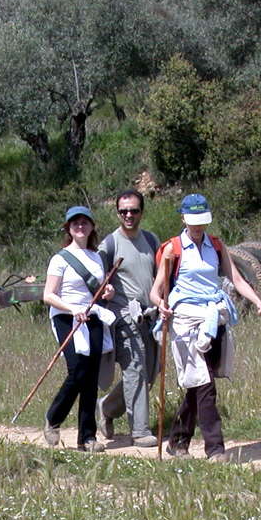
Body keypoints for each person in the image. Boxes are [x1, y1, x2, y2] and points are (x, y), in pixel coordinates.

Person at [150, 194, 261, 462]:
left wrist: (258, 301)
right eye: (193, 222)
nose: (198, 227)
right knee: (204, 385)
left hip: (215, 318)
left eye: (202, 222)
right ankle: (215, 448)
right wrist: (161, 306)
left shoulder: (216, 246)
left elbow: (235, 278)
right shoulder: (172, 249)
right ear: (183, 219)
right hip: (185, 322)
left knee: (200, 383)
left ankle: (178, 441)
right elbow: (155, 292)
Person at [42, 206, 116, 452]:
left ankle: (87, 437)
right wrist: (72, 309)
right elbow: (48, 296)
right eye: (75, 223)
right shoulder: (60, 259)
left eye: (85, 222)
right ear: (68, 228)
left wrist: (107, 292)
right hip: (66, 317)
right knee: (77, 371)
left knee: (91, 376)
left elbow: (99, 291)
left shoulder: (97, 257)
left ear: (92, 226)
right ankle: (53, 418)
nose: (80, 227)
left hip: (91, 317)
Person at [97, 190, 160, 447]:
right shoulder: (109, 245)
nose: (129, 215)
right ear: (117, 213)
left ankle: (107, 408)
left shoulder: (152, 240)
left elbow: (160, 275)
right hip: (123, 316)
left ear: (142, 212)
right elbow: (97, 277)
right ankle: (140, 431)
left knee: (150, 373)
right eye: (124, 211)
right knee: (135, 368)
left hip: (151, 315)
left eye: (134, 210)